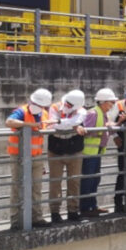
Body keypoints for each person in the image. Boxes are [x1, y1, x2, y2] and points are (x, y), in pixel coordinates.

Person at [6, 88, 52, 229]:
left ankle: (37, 218)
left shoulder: (44, 113)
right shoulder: (22, 111)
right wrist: (29, 125)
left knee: (36, 188)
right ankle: (15, 221)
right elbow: (9, 122)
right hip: (19, 157)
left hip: (37, 156)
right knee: (17, 187)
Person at [46, 89, 88, 223]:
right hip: (55, 149)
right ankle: (54, 212)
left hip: (74, 149)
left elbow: (63, 123)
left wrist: (61, 123)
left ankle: (73, 211)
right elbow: (50, 125)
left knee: (74, 181)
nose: (67, 107)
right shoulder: (54, 107)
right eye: (67, 104)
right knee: (55, 182)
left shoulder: (81, 110)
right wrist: (73, 125)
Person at [80, 88, 117, 217]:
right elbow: (86, 131)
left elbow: (106, 131)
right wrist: (103, 129)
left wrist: (113, 125)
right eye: (111, 102)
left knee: (95, 179)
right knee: (88, 180)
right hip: (89, 152)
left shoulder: (103, 113)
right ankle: (85, 208)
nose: (112, 105)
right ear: (103, 102)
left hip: (97, 151)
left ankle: (92, 206)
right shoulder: (93, 113)